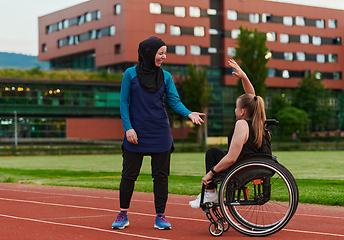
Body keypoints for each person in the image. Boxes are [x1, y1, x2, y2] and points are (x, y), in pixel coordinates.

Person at [112, 36, 205, 230]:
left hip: (160, 132)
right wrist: (128, 127)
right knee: (128, 175)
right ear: (148, 53)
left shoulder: (166, 77)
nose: (164, 56)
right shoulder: (130, 74)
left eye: (164, 53)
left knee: (161, 177)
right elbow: (123, 102)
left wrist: (188, 113)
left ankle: (160, 216)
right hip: (135, 133)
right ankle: (123, 214)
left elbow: (174, 101)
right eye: (160, 53)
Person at [189, 59, 269, 208]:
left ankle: (211, 192)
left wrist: (210, 173)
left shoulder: (242, 124)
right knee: (216, 153)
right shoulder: (258, 122)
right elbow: (252, 99)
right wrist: (244, 77)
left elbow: (231, 158)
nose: (235, 110)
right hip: (252, 165)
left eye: (236, 107)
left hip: (241, 167)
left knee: (212, 153)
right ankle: (211, 193)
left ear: (242, 111)